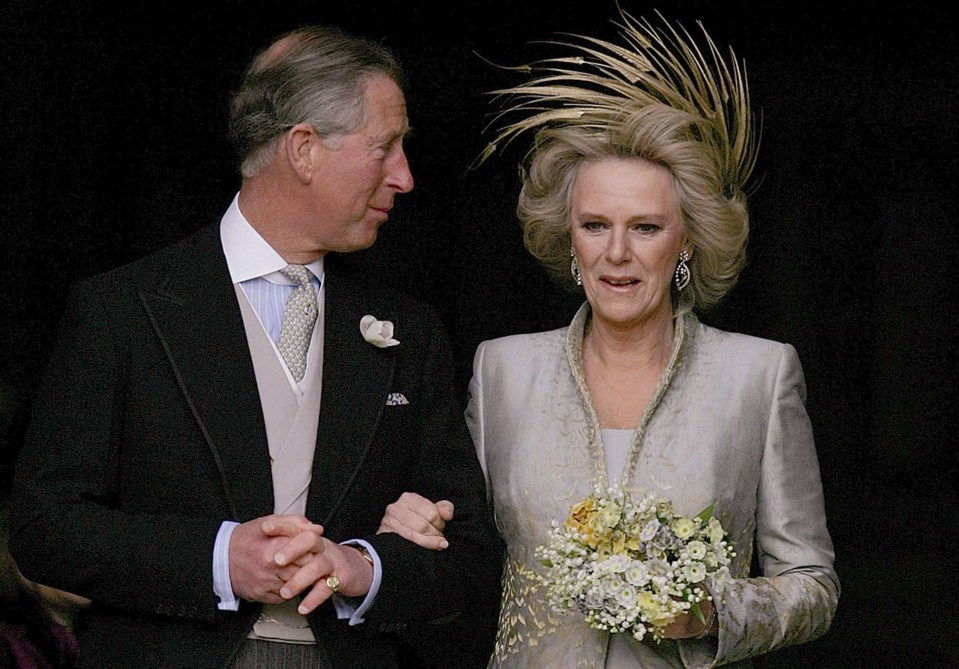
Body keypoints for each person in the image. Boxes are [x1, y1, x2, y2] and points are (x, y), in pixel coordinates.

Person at [9, 24, 500, 669]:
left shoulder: (409, 329)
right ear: (304, 150)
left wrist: (361, 566)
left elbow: (467, 550)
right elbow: (44, 526)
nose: (404, 177)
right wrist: (218, 559)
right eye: (384, 149)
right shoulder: (126, 308)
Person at [378, 10, 839, 668]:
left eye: (645, 227)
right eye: (595, 225)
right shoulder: (503, 370)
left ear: (686, 240)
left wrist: (710, 610)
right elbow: (463, 565)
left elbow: (812, 586)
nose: (616, 254)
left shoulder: (758, 376)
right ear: (568, 239)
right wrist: (416, 540)